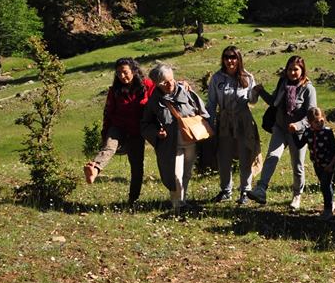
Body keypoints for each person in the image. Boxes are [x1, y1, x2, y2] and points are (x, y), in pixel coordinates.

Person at [83, 58, 155, 204]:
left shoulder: (147, 85)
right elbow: (108, 112)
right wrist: (105, 133)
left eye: (125, 72)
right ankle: (95, 169)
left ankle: (132, 200)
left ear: (134, 71)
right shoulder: (115, 90)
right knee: (109, 147)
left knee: (136, 167)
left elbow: (162, 90)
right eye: (118, 73)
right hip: (118, 126)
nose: (122, 76)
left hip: (137, 131)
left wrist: (182, 84)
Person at [247, 56, 316, 208]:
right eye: (290, 69)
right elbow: (274, 102)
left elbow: (311, 115)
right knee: (272, 156)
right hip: (279, 128)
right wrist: (262, 91)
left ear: (302, 70)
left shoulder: (308, 89)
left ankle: (297, 196)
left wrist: (298, 125)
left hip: (298, 133)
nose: (292, 72)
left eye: (296, 69)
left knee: (297, 165)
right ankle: (261, 189)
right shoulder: (283, 83)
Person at [141, 63, 210, 213]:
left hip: (191, 140)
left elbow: (203, 111)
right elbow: (146, 124)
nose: (169, 84)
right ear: (157, 84)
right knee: (175, 175)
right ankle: (178, 204)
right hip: (171, 145)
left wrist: (197, 121)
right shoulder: (154, 101)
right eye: (164, 82)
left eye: (171, 79)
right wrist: (156, 133)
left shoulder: (186, 91)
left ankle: (180, 202)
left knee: (186, 174)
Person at [206, 46, 263, 204]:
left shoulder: (247, 77)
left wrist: (255, 92)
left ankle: (245, 191)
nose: (230, 60)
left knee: (246, 155)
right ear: (223, 59)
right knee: (224, 156)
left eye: (233, 57)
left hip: (243, 120)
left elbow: (252, 101)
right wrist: (209, 124)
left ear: (239, 59)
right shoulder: (217, 78)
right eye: (226, 57)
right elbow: (211, 103)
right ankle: (226, 190)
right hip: (224, 121)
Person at [298, 107, 335, 221]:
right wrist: (293, 133)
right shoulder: (308, 132)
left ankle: (328, 210)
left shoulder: (327, 132)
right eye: (316, 122)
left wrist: (331, 164)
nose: (320, 123)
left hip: (328, 164)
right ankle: (331, 203)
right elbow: (299, 144)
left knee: (325, 185)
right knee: (326, 184)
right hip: (317, 164)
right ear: (310, 122)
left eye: (321, 120)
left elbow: (333, 150)